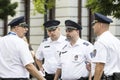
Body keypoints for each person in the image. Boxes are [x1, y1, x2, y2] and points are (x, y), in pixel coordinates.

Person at [0, 16, 46, 80]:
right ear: (16, 28)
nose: (26, 29)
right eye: (23, 27)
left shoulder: (1, 40)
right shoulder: (20, 42)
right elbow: (29, 66)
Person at [92, 13, 120, 80]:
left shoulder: (100, 42)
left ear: (100, 25)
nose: (93, 27)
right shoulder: (116, 40)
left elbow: (100, 66)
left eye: (94, 24)